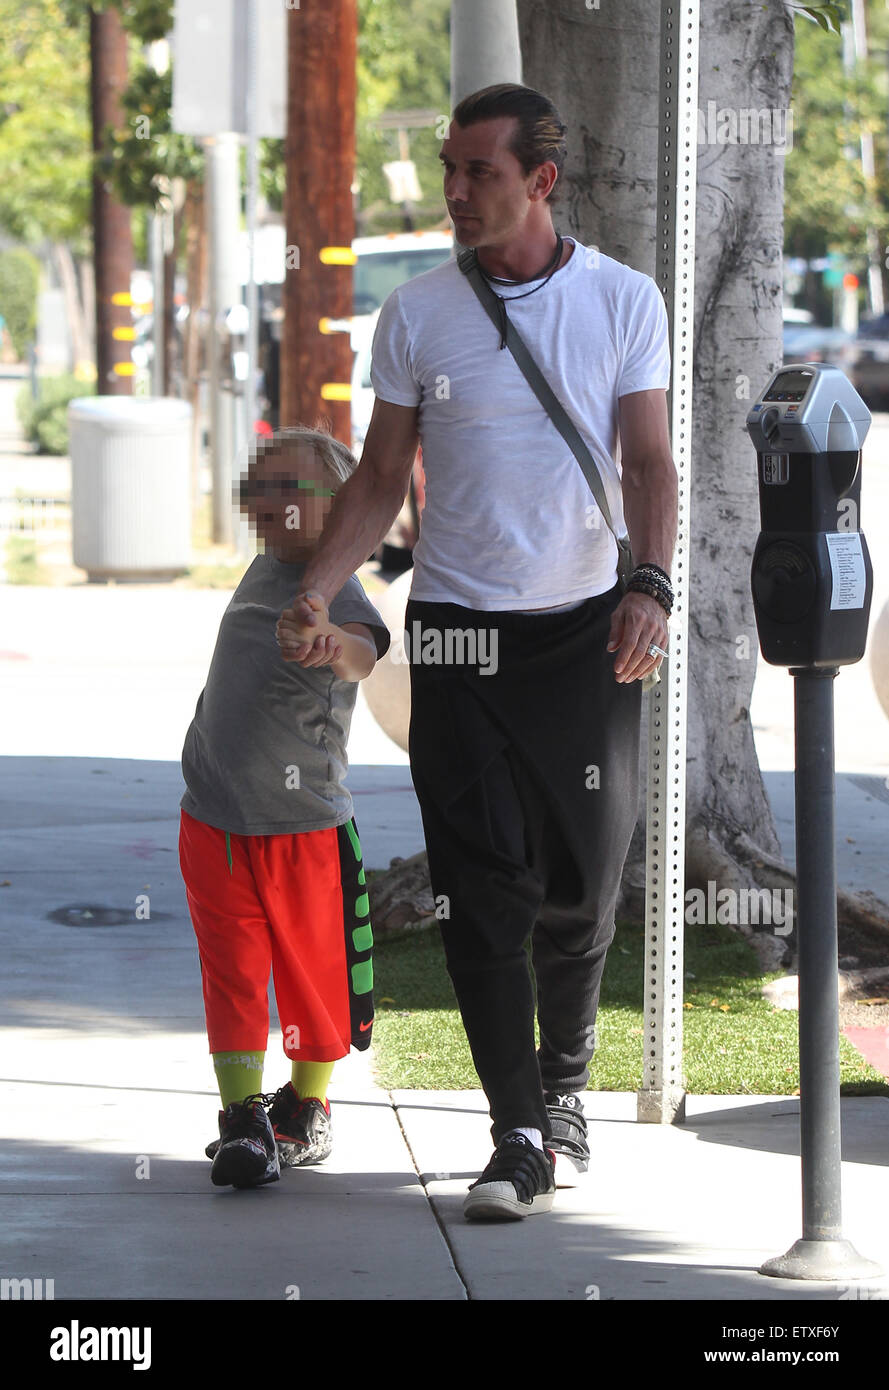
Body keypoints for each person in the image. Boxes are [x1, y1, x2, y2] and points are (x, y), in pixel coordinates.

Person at [277, 83, 677, 1221]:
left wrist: (650, 584)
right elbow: (376, 477)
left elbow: (648, 462)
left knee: (581, 887)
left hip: (585, 631)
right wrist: (318, 585)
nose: (454, 190)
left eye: (477, 173)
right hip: (456, 633)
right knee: (479, 887)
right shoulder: (417, 315)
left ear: (539, 181)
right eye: (450, 170)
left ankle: (563, 1089)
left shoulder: (621, 300)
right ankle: (517, 1132)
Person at [178, 425, 390, 1189]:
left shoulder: (340, 591)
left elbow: (363, 655)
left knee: (313, 977)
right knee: (232, 973)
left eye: (287, 487)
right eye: (257, 487)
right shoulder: (265, 567)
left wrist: (330, 640)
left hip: (303, 830)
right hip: (213, 820)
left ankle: (305, 1107)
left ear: (344, 507)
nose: (265, 502)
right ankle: (242, 1120)